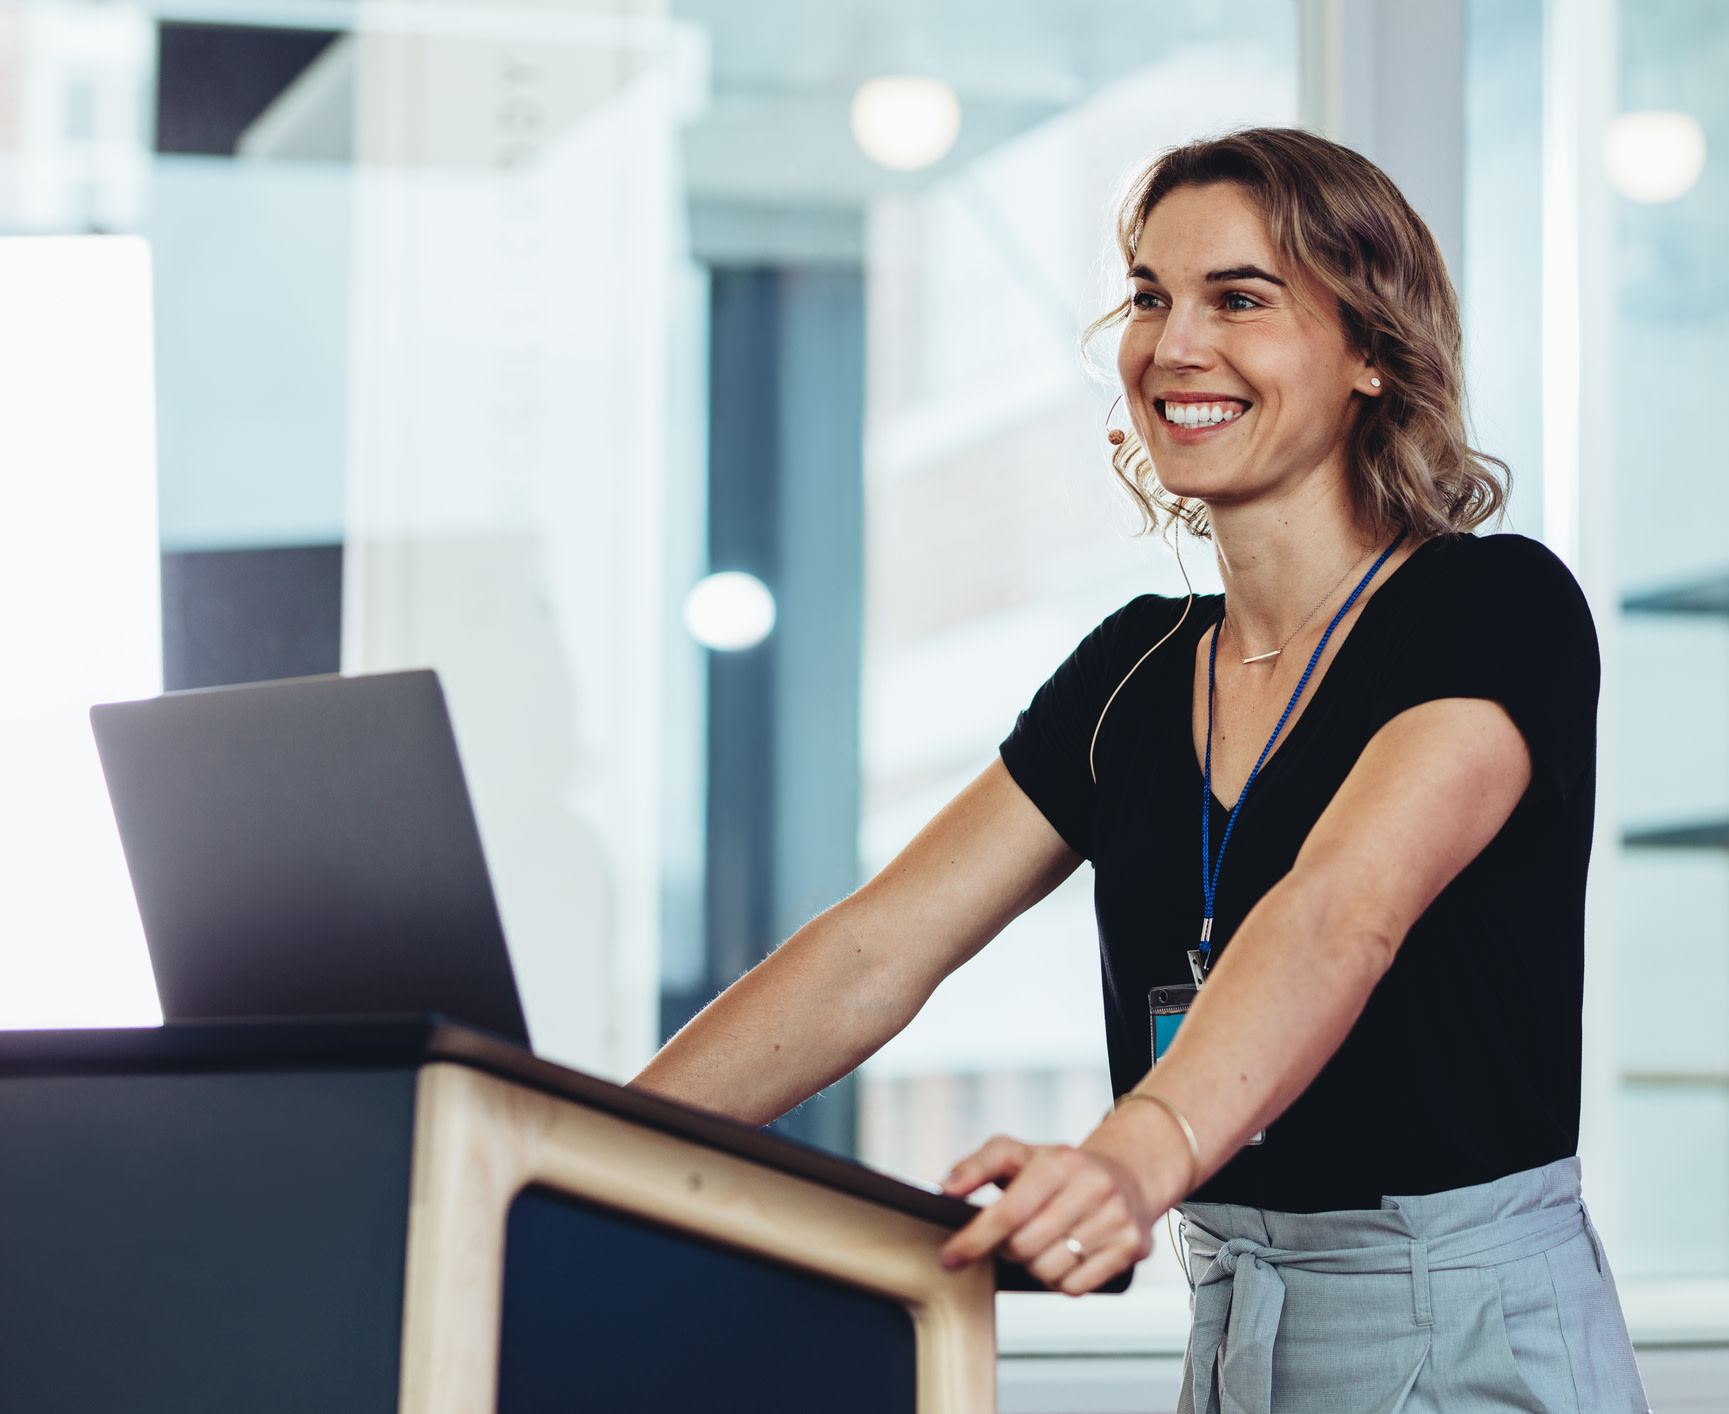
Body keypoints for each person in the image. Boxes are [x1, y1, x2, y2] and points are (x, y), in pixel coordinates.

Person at [633, 127, 1648, 1413]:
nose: (1174, 345)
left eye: (1240, 298)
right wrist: (568, 1152)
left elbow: (1345, 908)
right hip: (1230, 1306)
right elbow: (874, 949)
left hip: (1461, 1318)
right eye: (1151, 297)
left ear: (1374, 354)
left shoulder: (1493, 606)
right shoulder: (1134, 668)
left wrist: (1132, 1157)